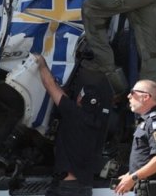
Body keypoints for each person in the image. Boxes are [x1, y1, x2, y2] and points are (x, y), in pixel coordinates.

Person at [35, 54, 111, 196]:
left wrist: (41, 63)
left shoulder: (74, 114)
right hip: (84, 187)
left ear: (80, 100)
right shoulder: (98, 121)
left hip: (66, 189)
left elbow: (50, 85)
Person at [114, 80, 156, 196]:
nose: (128, 96)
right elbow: (146, 157)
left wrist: (133, 177)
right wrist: (130, 174)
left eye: (132, 93)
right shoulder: (147, 121)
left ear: (146, 97)